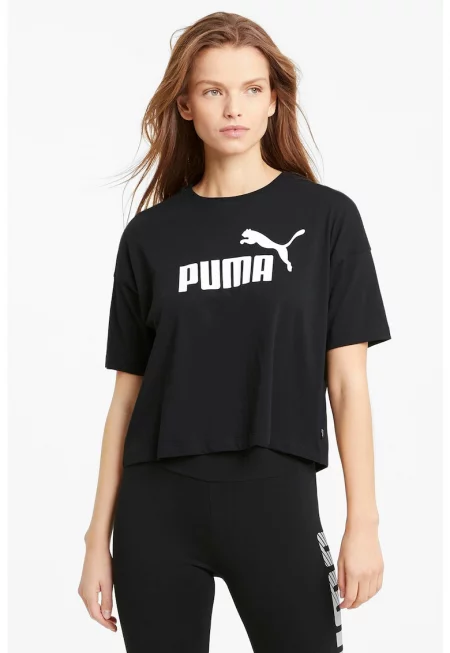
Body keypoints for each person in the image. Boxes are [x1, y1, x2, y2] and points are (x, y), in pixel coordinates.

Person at [78, 11, 391, 653]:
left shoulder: (326, 219)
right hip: (157, 509)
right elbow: (126, 400)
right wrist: (95, 541)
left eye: (251, 89)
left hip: (275, 499)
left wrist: (364, 522)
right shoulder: (149, 237)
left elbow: (347, 384)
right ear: (185, 105)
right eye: (212, 90)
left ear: (274, 102)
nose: (233, 108)